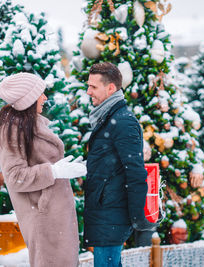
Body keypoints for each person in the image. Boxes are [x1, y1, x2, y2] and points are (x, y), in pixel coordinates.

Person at [0, 72, 86, 267]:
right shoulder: (12, 129)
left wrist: (66, 168)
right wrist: (54, 172)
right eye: (41, 94)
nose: (45, 98)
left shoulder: (29, 125)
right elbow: (14, 176)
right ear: (28, 99)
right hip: (43, 220)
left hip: (55, 219)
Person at [83, 62, 158, 267]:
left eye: (93, 87)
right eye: (88, 86)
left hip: (112, 216)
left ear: (111, 88)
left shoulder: (123, 121)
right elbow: (108, 166)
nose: (88, 91)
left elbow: (135, 172)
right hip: (106, 214)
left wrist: (138, 217)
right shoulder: (107, 118)